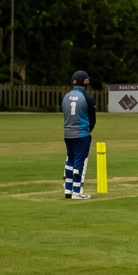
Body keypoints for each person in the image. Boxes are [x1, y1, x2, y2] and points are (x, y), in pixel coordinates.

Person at [60, 71, 97, 200]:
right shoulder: (87, 98)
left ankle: (67, 189)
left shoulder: (66, 97)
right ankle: (77, 191)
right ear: (85, 82)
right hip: (82, 134)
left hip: (67, 133)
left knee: (70, 158)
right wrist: (87, 131)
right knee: (80, 161)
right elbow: (92, 120)